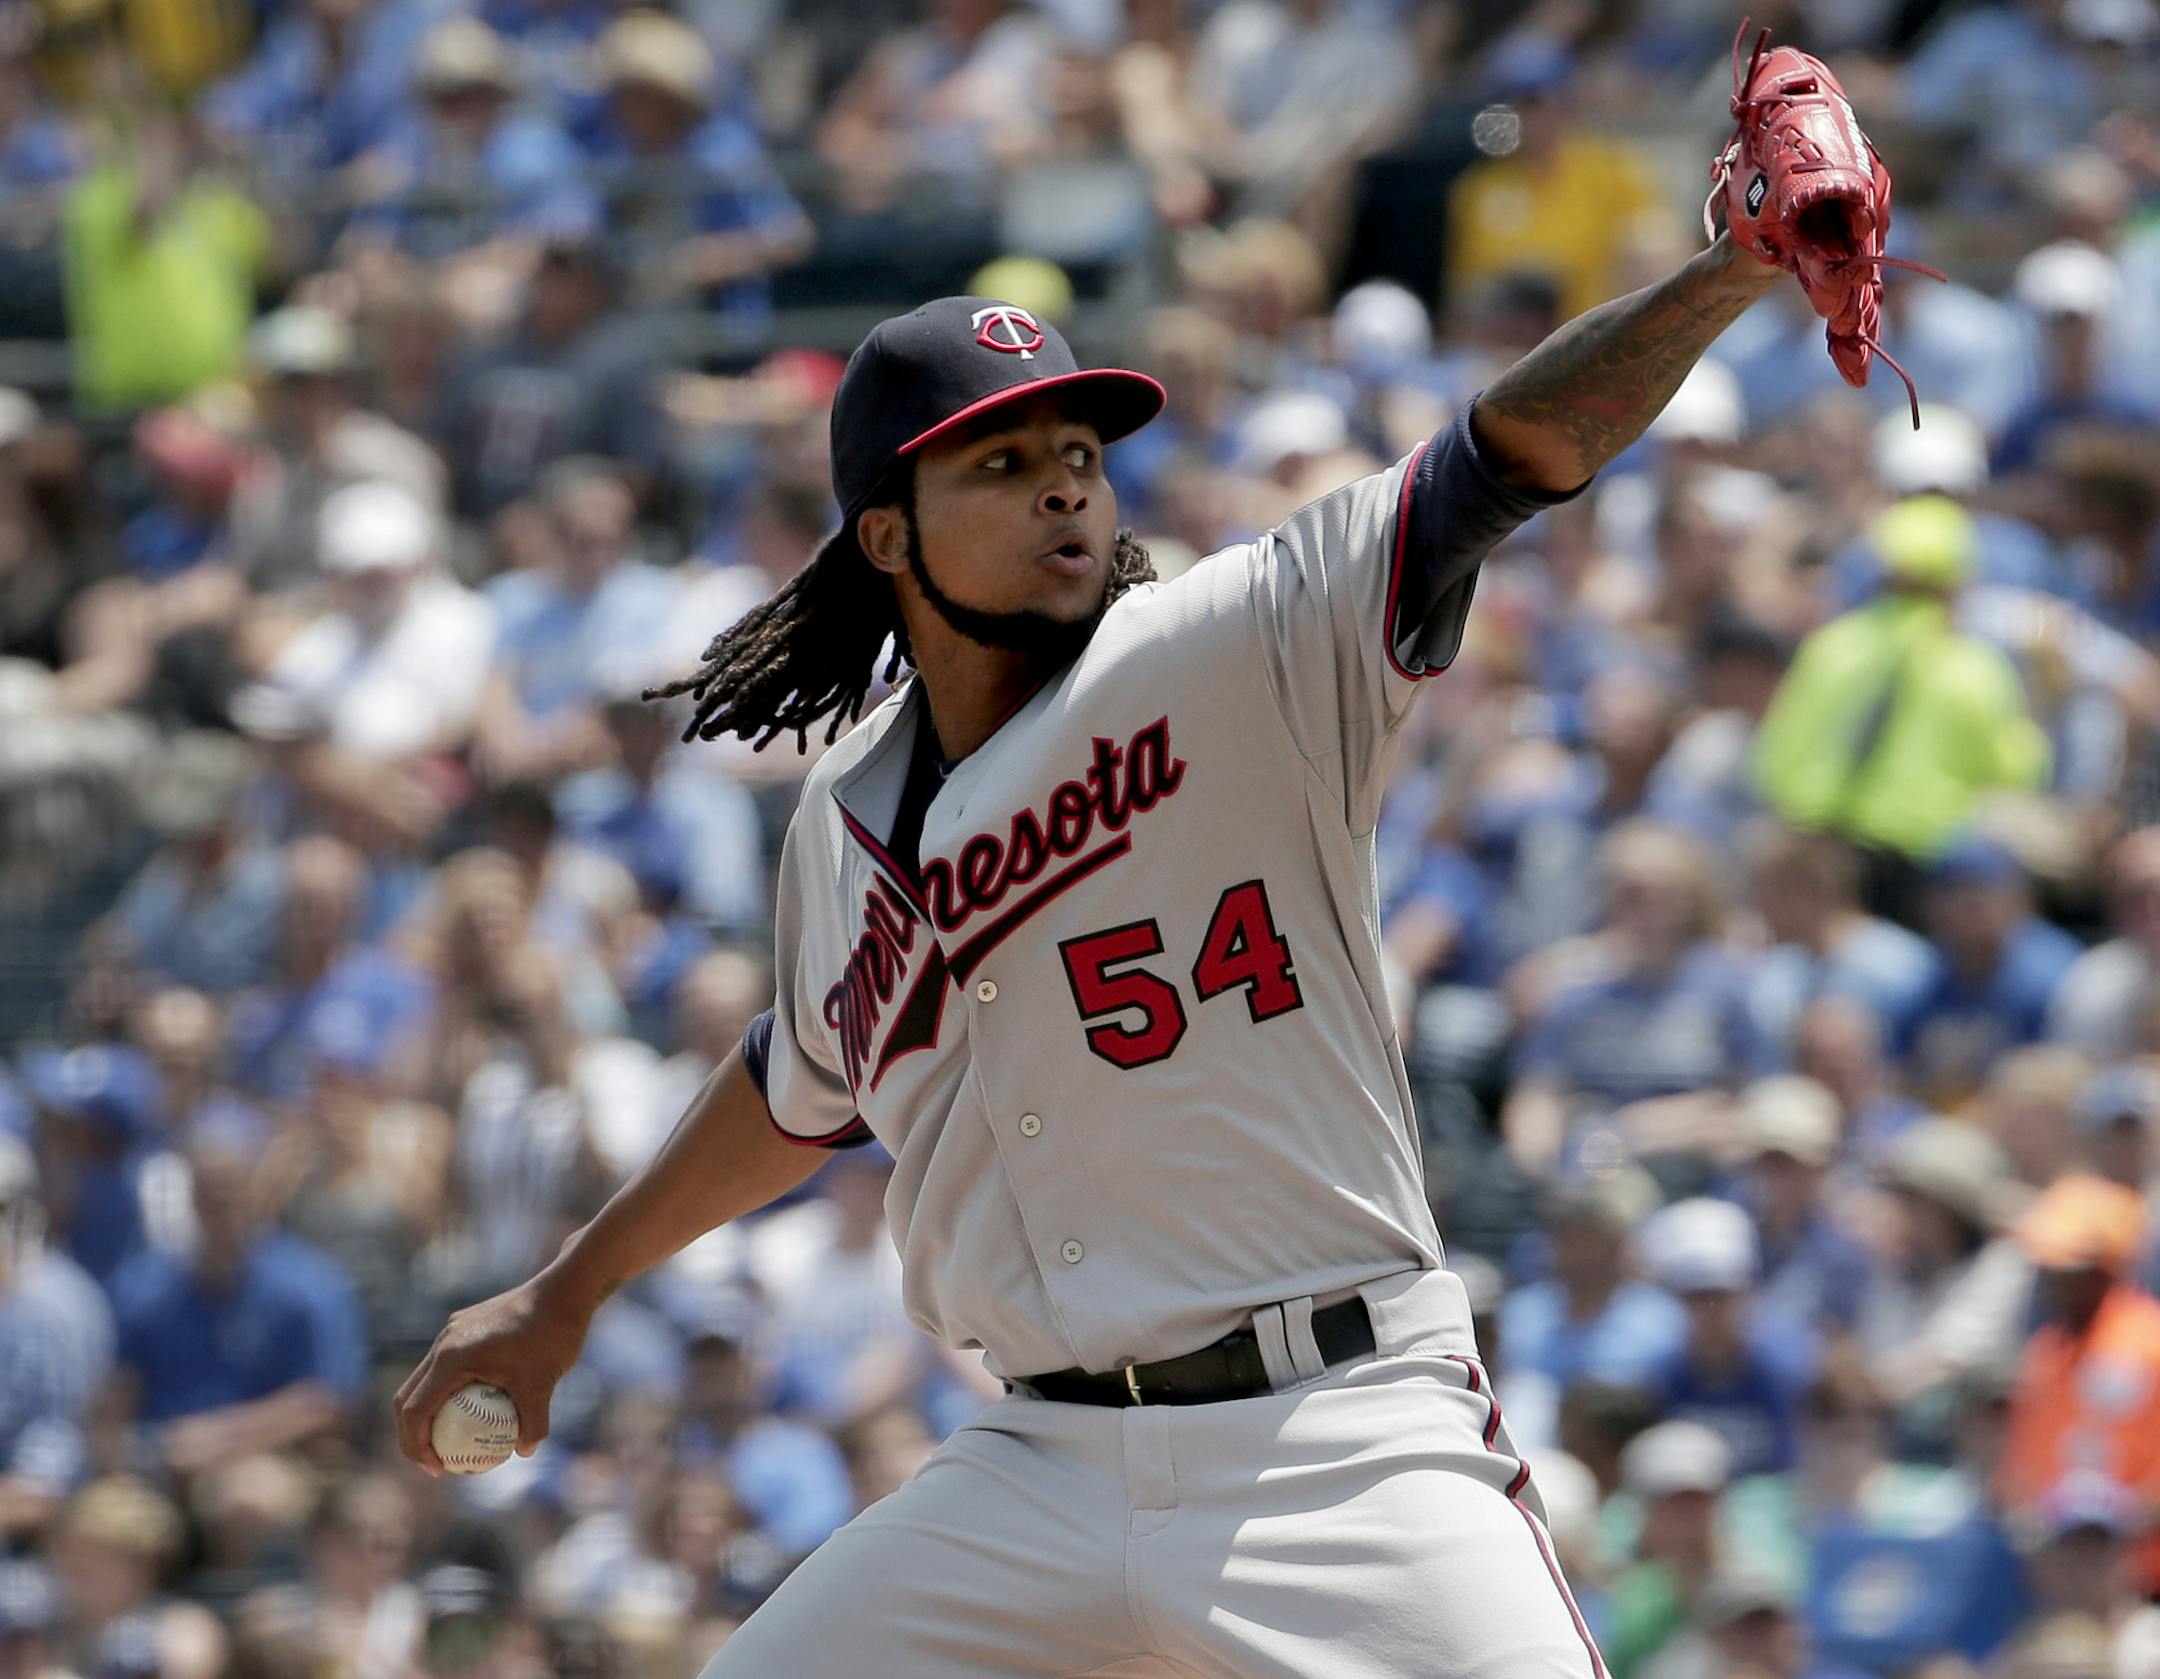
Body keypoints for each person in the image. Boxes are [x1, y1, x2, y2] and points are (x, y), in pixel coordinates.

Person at [399, 212, 1792, 1674]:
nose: (1065, 489)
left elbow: (1499, 459)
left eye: (1078, 455)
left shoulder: (1235, 642)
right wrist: (566, 1291)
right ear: (887, 532)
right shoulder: (843, 815)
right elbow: (797, 1086)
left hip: (1338, 1436)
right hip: (1038, 1464)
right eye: (1002, 465)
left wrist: (1727, 274)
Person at [1751, 496, 2050, 922]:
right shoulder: (1974, 666)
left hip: (1826, 859)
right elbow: (2016, 774)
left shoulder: (1831, 646)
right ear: (1958, 580)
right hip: (1925, 866)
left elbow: (1773, 764)